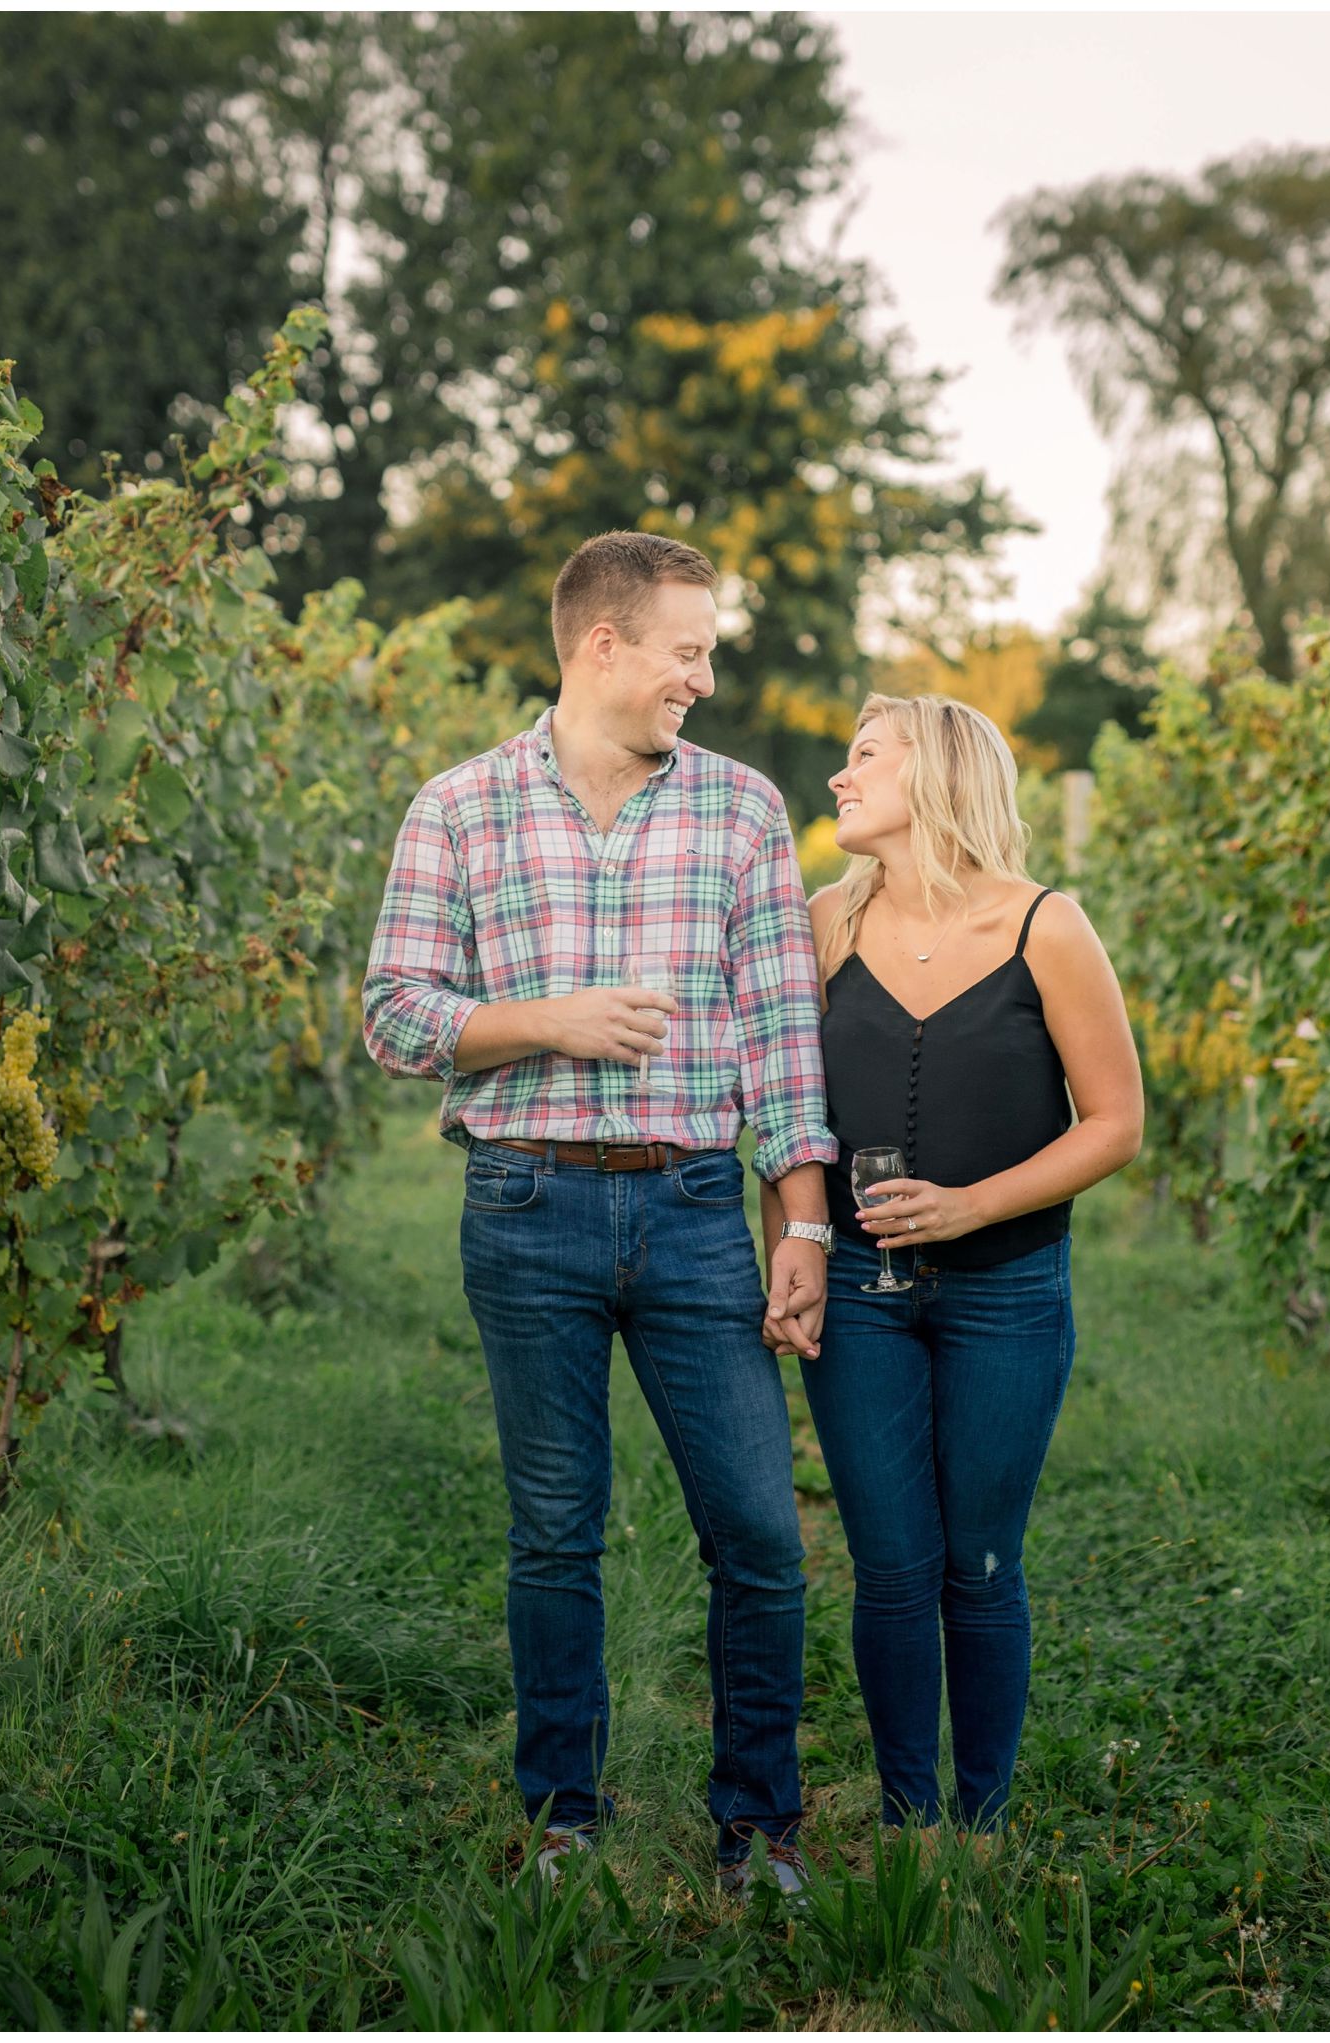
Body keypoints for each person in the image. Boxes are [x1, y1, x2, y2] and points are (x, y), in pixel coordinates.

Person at [361, 531, 838, 1903]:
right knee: (555, 1526)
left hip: (694, 1207)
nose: (703, 674)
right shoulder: (456, 807)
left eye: (710, 653)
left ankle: (759, 1822)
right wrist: (541, 1021)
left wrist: (797, 1224)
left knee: (755, 1524)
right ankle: (564, 1814)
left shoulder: (743, 811)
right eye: (687, 649)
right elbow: (397, 1012)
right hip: (523, 1204)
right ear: (601, 646)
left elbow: (781, 1036)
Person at [767, 693, 1143, 1836]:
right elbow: (784, 1098)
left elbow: (1113, 1123)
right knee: (888, 1568)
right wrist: (802, 1239)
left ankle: (980, 1825)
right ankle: (906, 1820)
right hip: (864, 1302)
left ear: (933, 775)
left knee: (978, 1566)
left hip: (1009, 1296)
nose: (839, 780)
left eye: (863, 758)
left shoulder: (1046, 928)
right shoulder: (823, 920)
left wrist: (972, 1204)